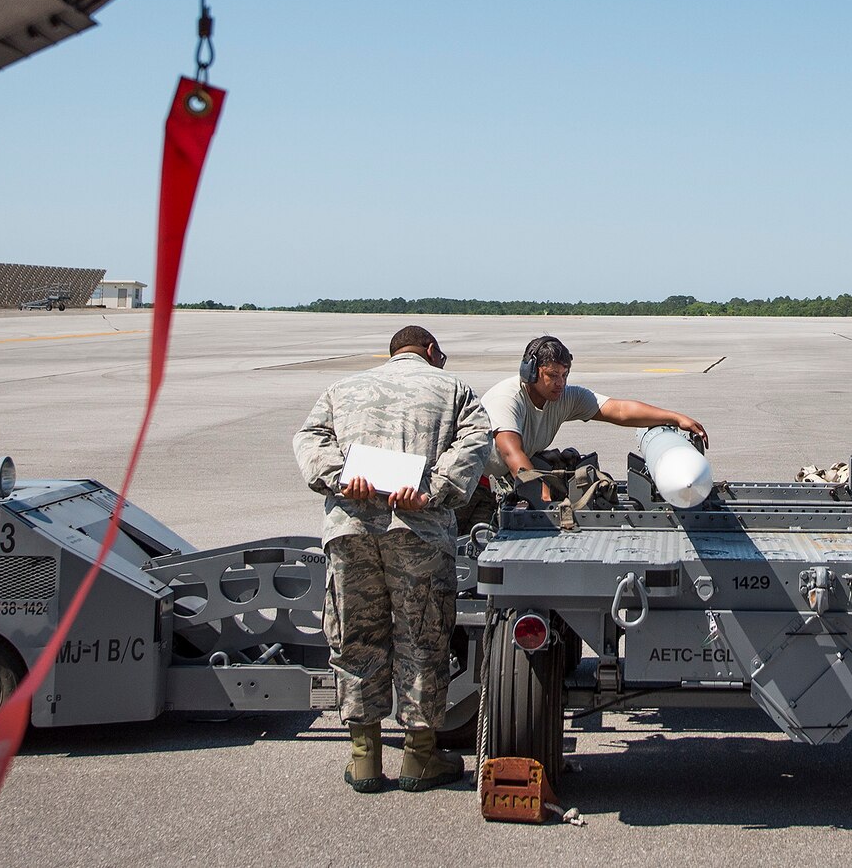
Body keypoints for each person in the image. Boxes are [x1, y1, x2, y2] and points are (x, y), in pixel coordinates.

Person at [292, 325, 491, 795]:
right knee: (421, 639)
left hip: (351, 530)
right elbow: (476, 442)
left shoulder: (343, 389)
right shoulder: (455, 389)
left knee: (355, 636)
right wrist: (432, 490)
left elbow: (309, 438)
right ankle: (419, 759)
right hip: (416, 532)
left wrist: (341, 480)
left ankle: (364, 759)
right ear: (429, 350)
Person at [472, 336, 708, 522]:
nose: (560, 383)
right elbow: (512, 454)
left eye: (564, 375)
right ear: (530, 372)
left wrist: (675, 418)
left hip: (505, 475)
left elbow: (619, 410)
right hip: (473, 483)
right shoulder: (508, 399)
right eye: (552, 375)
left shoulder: (564, 397)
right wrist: (545, 504)